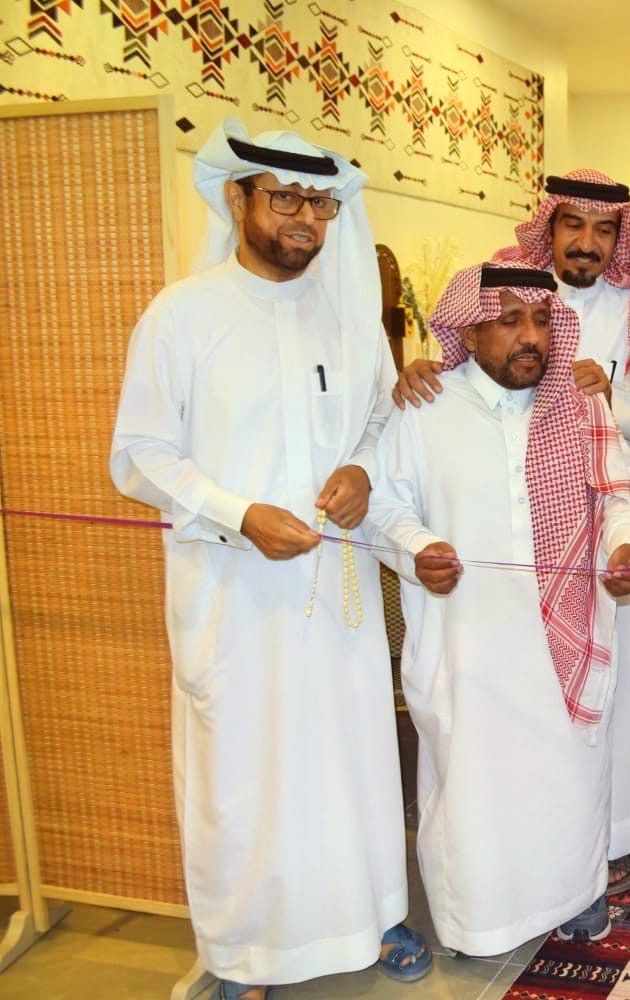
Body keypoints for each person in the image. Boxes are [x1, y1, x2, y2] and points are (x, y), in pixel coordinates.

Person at [109, 119, 429, 999]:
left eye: (321, 204)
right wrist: (238, 514)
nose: (305, 219)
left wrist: (363, 468)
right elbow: (138, 454)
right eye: (285, 198)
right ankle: (243, 954)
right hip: (233, 593)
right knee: (243, 773)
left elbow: (380, 417)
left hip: (336, 588)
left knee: (353, 756)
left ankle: (373, 914)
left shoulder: (349, 318)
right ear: (238, 198)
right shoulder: (182, 315)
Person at [395, 170, 630, 893]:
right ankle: (505, 878)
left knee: (605, 712)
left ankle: (607, 846)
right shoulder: (499, 291)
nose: (587, 242)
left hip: (597, 555)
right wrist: (427, 369)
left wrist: (611, 400)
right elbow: (433, 426)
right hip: (488, 596)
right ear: (548, 227)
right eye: (572, 225)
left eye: (604, 229)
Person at [365, 256, 630, 954]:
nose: (531, 337)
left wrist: (623, 544)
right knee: (475, 785)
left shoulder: (579, 403)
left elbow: (624, 490)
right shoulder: (425, 407)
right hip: (467, 641)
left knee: (569, 775)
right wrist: (419, 547)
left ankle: (577, 894)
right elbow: (384, 506)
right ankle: (481, 918)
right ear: (469, 330)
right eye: (510, 322)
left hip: (566, 635)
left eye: (542, 321)